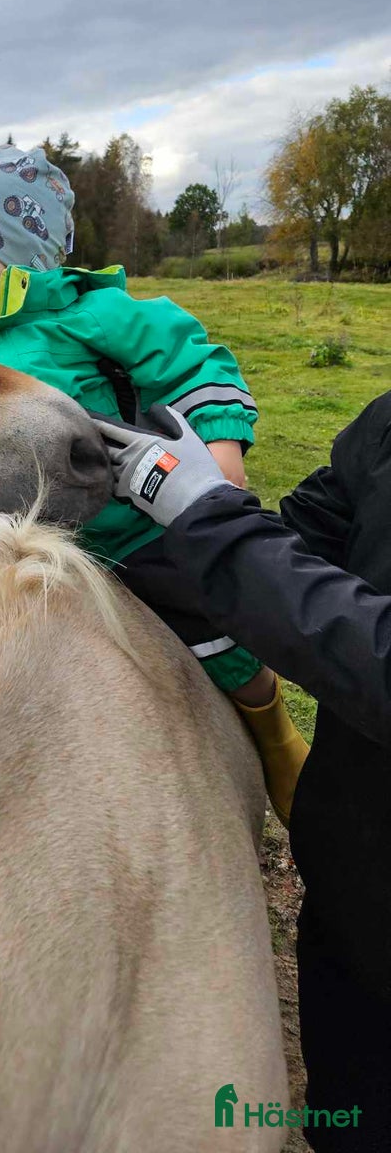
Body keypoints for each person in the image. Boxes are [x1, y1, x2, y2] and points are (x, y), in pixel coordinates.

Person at [0, 144, 307, 823]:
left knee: (211, 623)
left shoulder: (92, 315)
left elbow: (196, 363)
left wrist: (221, 451)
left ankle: (273, 731)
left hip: (128, 527)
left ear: (19, 254)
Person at [94, 398, 391, 1151]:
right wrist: (96, 555)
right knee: (349, 1106)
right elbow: (293, 552)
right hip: (354, 879)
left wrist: (204, 514)